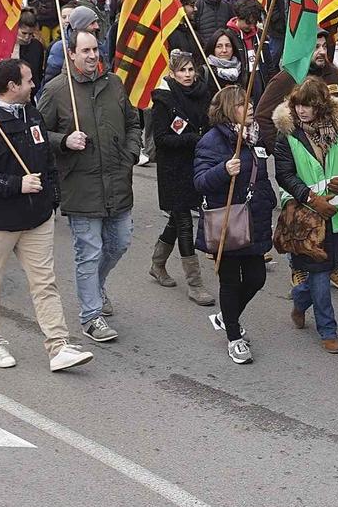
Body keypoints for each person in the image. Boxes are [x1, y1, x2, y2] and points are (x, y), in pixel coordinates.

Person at [0, 57, 94, 372]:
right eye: (29, 80)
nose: (34, 84)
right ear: (12, 86)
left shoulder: (31, 114)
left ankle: (58, 346)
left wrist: (51, 197)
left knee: (45, 282)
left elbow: (45, 158)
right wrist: (16, 184)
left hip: (36, 218)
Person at [37, 25, 143, 345]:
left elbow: (133, 123)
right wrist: (65, 141)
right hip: (80, 186)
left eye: (95, 49)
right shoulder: (57, 90)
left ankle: (94, 288)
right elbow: (37, 134)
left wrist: (130, 154)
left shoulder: (114, 84)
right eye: (85, 50)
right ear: (71, 54)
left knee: (120, 241)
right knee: (89, 251)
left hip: (117, 181)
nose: (92, 55)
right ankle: (90, 316)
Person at [272, 80, 338, 355]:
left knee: (325, 268)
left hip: (335, 213)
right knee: (320, 275)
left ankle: (299, 303)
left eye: (308, 105)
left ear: (321, 106)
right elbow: (284, 174)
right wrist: (311, 198)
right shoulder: (287, 134)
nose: (302, 110)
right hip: (305, 217)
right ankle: (328, 329)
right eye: (298, 104)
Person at [193, 86, 275, 364]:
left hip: (255, 219)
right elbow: (200, 181)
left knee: (257, 278)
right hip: (228, 220)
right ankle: (234, 337)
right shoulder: (212, 141)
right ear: (228, 110)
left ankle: (226, 317)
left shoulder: (254, 137)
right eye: (242, 104)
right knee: (230, 281)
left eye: (249, 102)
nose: (250, 107)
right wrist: (223, 170)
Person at [146, 49, 216, 306]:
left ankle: (157, 264)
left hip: (196, 166)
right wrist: (191, 138)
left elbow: (207, 124)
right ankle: (195, 284)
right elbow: (161, 139)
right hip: (172, 170)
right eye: (182, 70)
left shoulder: (202, 93)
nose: (187, 75)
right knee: (185, 222)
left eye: (190, 69)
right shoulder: (164, 100)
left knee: (177, 221)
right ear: (172, 73)